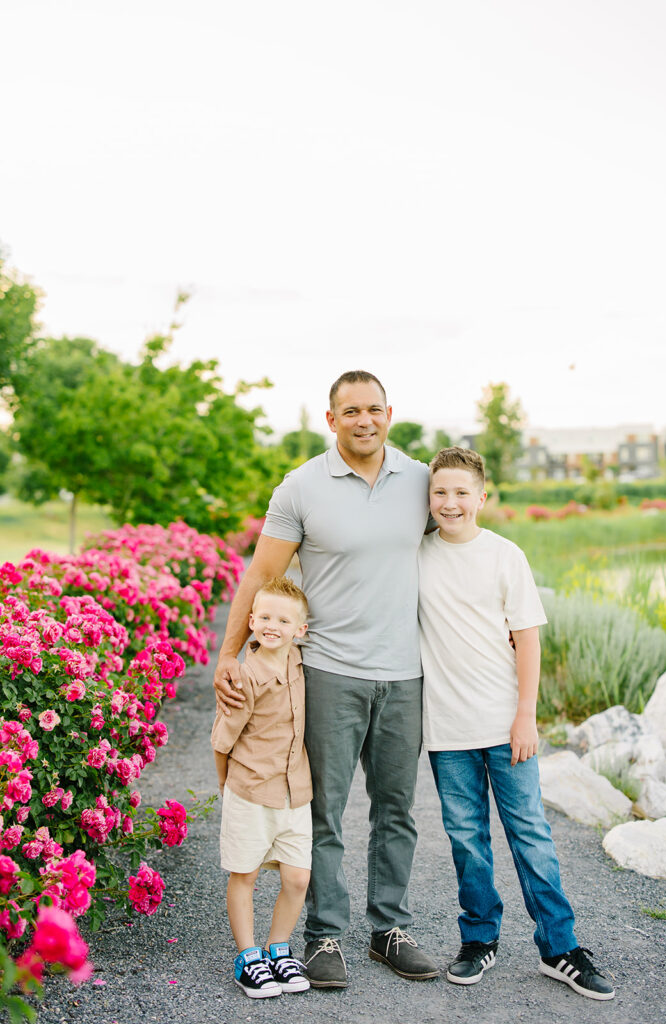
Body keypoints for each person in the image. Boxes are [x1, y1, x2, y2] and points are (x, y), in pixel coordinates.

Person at [213, 370, 438, 988]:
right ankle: (323, 937)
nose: (364, 420)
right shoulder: (301, 487)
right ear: (331, 418)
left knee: (397, 809)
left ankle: (388, 928)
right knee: (325, 811)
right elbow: (260, 577)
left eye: (374, 410)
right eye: (351, 411)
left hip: (405, 674)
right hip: (329, 671)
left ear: (389, 413)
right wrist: (228, 657)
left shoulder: (420, 481)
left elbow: (459, 545)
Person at [417, 446, 615, 1001]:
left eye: (461, 493)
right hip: (448, 730)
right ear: (428, 499)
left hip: (508, 725)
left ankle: (560, 948)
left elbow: (527, 640)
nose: (450, 503)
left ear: (483, 497)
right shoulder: (416, 555)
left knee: (531, 835)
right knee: (466, 840)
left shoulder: (506, 556)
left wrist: (525, 717)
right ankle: (479, 939)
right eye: (440, 493)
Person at [212, 576, 312, 999]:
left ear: (300, 630)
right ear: (251, 621)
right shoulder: (243, 678)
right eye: (265, 616)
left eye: (284, 619)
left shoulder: (300, 661)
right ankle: (249, 956)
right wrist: (227, 786)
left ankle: (278, 947)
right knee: (246, 873)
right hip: (250, 789)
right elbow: (222, 741)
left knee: (297, 878)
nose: (273, 625)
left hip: (295, 792)